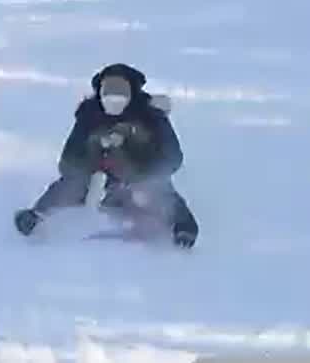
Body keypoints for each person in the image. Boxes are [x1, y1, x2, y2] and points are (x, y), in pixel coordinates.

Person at [12, 63, 199, 247]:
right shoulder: (89, 115)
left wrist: (146, 170)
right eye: (109, 92)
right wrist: (92, 156)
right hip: (100, 176)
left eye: (121, 93)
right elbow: (69, 160)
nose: (114, 100)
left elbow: (173, 157)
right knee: (72, 183)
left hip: (140, 173)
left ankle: (184, 227)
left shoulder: (151, 115)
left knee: (157, 190)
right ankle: (36, 215)